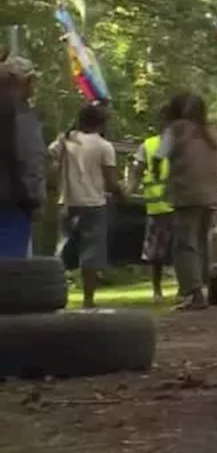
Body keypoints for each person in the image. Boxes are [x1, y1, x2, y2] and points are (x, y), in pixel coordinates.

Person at [155, 92, 217, 310]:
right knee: (203, 243)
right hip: (211, 194)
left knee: (185, 244)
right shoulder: (212, 134)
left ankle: (193, 293)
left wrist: (163, 176)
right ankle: (206, 289)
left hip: (186, 194)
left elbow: (159, 156)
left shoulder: (175, 131)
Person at [49, 103, 122, 308]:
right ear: (101, 123)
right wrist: (121, 194)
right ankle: (88, 300)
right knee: (92, 252)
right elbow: (111, 181)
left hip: (67, 202)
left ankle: (54, 294)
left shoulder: (65, 141)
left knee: (63, 249)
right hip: (94, 204)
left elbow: (50, 160)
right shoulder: (103, 146)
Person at [129, 100, 178, 302]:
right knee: (176, 250)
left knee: (158, 253)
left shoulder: (148, 145)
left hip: (160, 206)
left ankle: (159, 291)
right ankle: (179, 289)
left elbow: (137, 172)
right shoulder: (156, 145)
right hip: (172, 205)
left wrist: (129, 191)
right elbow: (137, 171)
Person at [0, 55, 46, 258]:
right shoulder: (21, 115)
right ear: (24, 82)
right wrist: (36, 200)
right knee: (10, 267)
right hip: (13, 200)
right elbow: (29, 159)